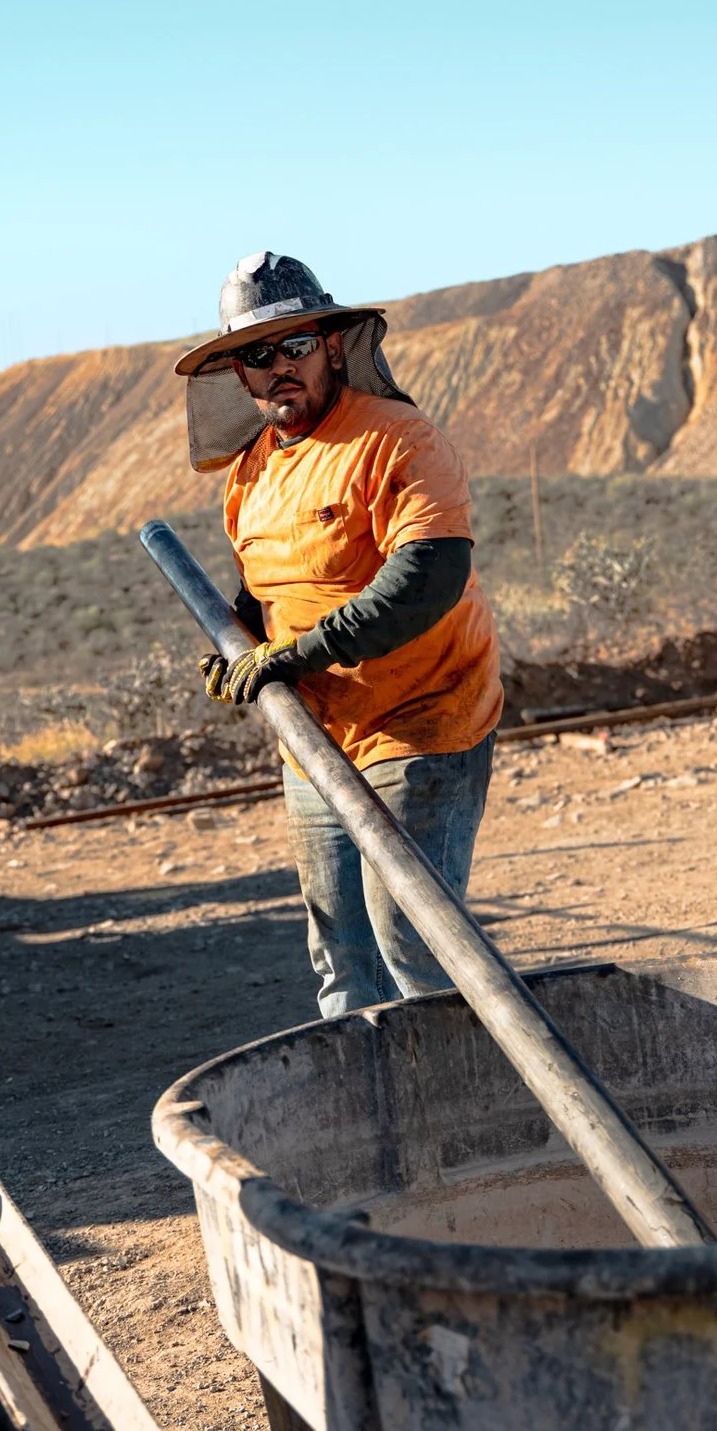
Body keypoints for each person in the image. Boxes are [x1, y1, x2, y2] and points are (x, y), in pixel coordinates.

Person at [177, 253, 501, 1017]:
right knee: (344, 961)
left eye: (294, 344)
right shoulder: (252, 473)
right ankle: (377, 1127)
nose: (278, 366)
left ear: (330, 344)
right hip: (316, 740)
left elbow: (428, 578)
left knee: (416, 942)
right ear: (239, 374)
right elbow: (271, 586)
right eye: (257, 354)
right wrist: (240, 638)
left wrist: (296, 654)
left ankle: (487, 1116)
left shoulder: (397, 439)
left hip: (423, 719)